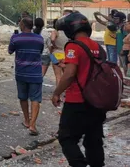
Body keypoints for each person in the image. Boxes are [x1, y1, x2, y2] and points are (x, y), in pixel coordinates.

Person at [51, 12, 106, 167]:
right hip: (97, 101)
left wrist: (56, 93)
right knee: (93, 140)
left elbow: (69, 75)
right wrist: (68, 65)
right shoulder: (98, 47)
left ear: (70, 29)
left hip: (77, 100)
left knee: (66, 137)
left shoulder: (73, 46)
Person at [9, 17, 44, 136]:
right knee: (35, 99)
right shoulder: (40, 39)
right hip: (35, 73)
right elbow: (39, 52)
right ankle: (33, 125)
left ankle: (27, 120)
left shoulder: (16, 38)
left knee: (23, 97)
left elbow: (10, 50)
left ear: (23, 25)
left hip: (21, 72)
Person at [51, 11, 71, 86]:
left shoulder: (55, 32)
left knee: (58, 76)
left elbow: (52, 39)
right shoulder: (67, 33)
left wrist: (54, 45)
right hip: (65, 55)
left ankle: (58, 94)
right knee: (66, 76)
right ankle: (67, 92)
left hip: (56, 54)